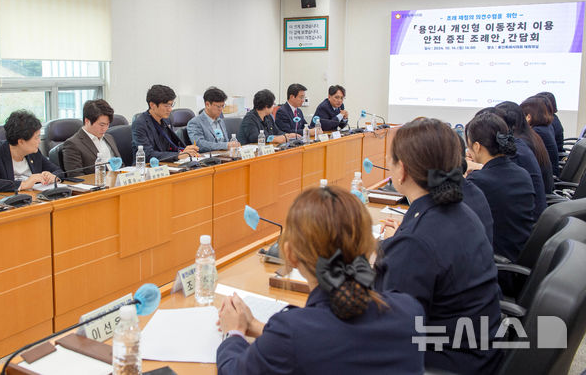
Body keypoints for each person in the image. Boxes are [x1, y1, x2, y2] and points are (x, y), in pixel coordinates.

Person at [217, 187, 424, 375]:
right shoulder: (410, 312)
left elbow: (235, 370)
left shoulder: (291, 333)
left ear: (290, 255)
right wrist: (253, 324)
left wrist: (233, 333)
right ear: (369, 246)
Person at [376, 117, 502, 374]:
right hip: (477, 354)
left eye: (390, 160)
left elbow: (386, 330)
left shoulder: (418, 242)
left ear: (402, 170)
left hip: (442, 362)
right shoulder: (460, 210)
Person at [466, 112, 536, 263]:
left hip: (497, 265)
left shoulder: (478, 181)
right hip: (517, 255)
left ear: (477, 147)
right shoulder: (521, 173)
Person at [0, 110, 61, 193]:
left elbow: (58, 171)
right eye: (36, 137)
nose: (39, 141)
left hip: (30, 199)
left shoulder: (34, 153)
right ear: (21, 141)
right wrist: (24, 184)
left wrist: (53, 177)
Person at [493, 102, 548, 217]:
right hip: (536, 208)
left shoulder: (517, 150)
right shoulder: (524, 139)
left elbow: (499, 176)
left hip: (530, 217)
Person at [131, 84, 199, 162]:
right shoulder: (139, 124)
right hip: (147, 167)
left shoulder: (166, 121)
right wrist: (178, 155)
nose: (170, 109)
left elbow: (170, 146)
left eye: (171, 105)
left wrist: (184, 151)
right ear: (152, 105)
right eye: (166, 106)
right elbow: (147, 154)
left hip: (166, 164)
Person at [62, 99, 121, 177]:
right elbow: (77, 176)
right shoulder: (72, 144)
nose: (105, 129)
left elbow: (120, 165)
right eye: (102, 125)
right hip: (98, 186)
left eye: (108, 124)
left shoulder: (109, 137)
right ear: (87, 121)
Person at [186, 87, 240, 153]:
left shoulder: (221, 121)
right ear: (207, 104)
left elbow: (226, 142)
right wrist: (225, 145)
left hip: (224, 155)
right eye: (218, 106)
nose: (221, 109)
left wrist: (232, 145)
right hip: (208, 160)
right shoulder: (195, 123)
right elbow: (200, 145)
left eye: (223, 106)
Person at [521, 96, 559, 178]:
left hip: (548, 178)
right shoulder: (545, 128)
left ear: (529, 117)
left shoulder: (537, 132)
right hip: (548, 177)